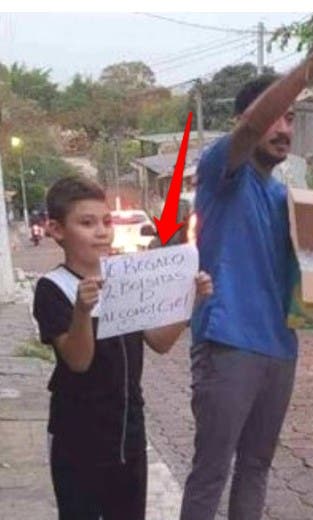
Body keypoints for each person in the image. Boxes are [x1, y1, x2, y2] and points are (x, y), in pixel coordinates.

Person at [179, 17, 313, 520]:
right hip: (229, 343)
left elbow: (309, 275)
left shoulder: (286, 198)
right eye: (277, 118)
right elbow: (249, 128)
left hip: (280, 347)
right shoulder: (223, 172)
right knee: (211, 470)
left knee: (256, 467)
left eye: (290, 120)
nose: (284, 129)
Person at [33, 175, 212, 520]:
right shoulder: (52, 288)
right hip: (77, 439)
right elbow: (78, 360)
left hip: (128, 434)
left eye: (106, 221)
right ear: (56, 230)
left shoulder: (125, 278)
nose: (101, 232)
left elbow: (159, 343)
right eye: (87, 223)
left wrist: (189, 302)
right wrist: (83, 311)